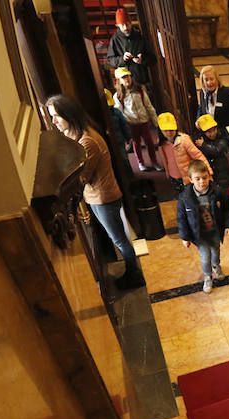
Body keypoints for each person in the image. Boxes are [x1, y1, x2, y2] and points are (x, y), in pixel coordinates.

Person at [46, 94, 144, 289]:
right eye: (51, 117)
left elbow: (82, 177)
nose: (54, 121)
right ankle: (133, 273)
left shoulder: (87, 141)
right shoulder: (75, 134)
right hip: (97, 197)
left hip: (104, 198)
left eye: (56, 116)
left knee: (119, 240)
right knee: (117, 237)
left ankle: (135, 276)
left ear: (69, 115)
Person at [176, 160, 229, 294]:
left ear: (209, 176)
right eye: (197, 179)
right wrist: (185, 237)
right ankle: (208, 276)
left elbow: (227, 209)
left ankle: (216, 266)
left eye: (204, 177)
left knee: (216, 251)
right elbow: (181, 219)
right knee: (205, 256)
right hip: (199, 235)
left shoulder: (218, 192)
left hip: (215, 231)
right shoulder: (185, 198)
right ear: (190, 179)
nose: (202, 182)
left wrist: (227, 225)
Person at [196, 65, 229, 165]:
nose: (209, 82)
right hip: (210, 137)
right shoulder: (202, 92)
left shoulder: (226, 93)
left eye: (211, 79)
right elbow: (201, 108)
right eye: (206, 80)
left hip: (225, 137)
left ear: (217, 79)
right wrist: (198, 119)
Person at [114, 67, 163, 172]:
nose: (127, 79)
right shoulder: (118, 96)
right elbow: (120, 113)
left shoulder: (140, 90)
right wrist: (125, 127)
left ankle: (154, 161)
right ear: (119, 80)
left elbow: (148, 106)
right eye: (123, 77)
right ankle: (140, 162)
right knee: (136, 144)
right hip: (131, 124)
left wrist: (155, 121)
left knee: (149, 142)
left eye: (128, 76)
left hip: (144, 121)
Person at [157, 112, 212, 189]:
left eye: (171, 130)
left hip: (188, 177)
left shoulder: (184, 140)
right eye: (165, 131)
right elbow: (164, 159)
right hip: (174, 177)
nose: (169, 133)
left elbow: (198, 155)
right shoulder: (161, 143)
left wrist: (208, 172)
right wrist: (167, 172)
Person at [106, 8, 156, 88]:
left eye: (127, 24)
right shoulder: (114, 39)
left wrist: (142, 60)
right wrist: (122, 59)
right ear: (117, 25)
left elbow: (153, 59)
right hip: (125, 83)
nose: (125, 27)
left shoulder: (139, 37)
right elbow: (110, 60)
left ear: (131, 22)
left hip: (142, 81)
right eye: (122, 25)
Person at [196, 114, 229, 198]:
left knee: (226, 197)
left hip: (224, 176)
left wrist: (204, 145)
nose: (213, 133)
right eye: (209, 132)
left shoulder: (223, 138)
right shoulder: (203, 139)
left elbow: (216, 151)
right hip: (214, 176)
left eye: (214, 130)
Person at [106, 88, 131, 155]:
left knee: (124, 157)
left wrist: (128, 137)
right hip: (109, 143)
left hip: (119, 140)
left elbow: (124, 125)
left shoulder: (116, 112)